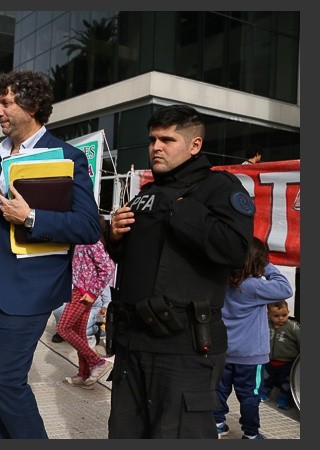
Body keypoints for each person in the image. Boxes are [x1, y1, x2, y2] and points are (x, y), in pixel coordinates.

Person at [0, 69, 101, 438]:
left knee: (5, 382)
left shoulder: (66, 157)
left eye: (5, 103)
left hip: (28, 290)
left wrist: (31, 217)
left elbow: (88, 226)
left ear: (32, 105)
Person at [105, 104, 255, 438]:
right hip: (133, 344)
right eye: (152, 139)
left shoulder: (219, 188)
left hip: (183, 348)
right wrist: (113, 233)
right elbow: (131, 258)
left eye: (167, 139)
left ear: (194, 145)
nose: (156, 146)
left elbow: (234, 249)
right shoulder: (146, 193)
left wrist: (177, 207)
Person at [213, 237, 293, 439]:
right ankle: (250, 434)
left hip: (224, 351)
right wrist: (268, 266)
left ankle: (217, 424)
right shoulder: (254, 286)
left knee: (220, 391)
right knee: (250, 396)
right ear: (258, 261)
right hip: (251, 356)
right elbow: (285, 288)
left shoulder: (222, 281)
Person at [57, 216, 115, 389]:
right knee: (79, 333)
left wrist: (92, 292)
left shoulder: (92, 242)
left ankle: (97, 362)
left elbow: (108, 268)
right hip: (79, 290)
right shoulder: (81, 240)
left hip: (82, 293)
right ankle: (84, 374)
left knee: (63, 328)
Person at [261, 300, 300, 410]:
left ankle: (284, 399)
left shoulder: (293, 327)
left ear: (288, 312)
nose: (281, 318)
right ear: (269, 315)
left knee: (286, 383)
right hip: (269, 360)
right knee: (266, 379)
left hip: (287, 363)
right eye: (276, 316)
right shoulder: (266, 325)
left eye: (284, 315)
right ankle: (264, 393)